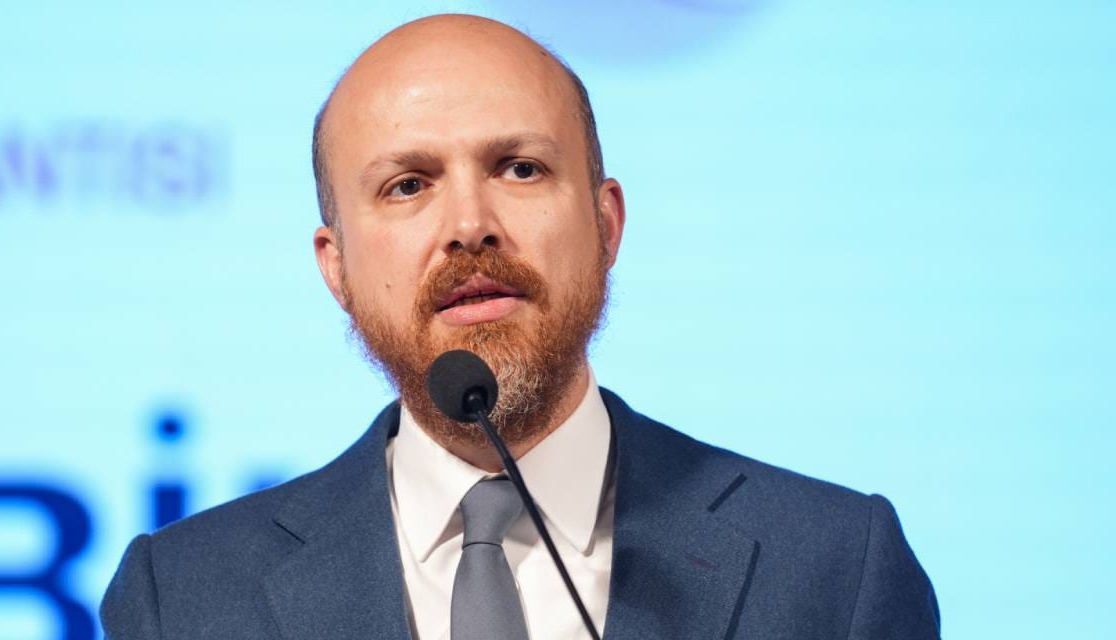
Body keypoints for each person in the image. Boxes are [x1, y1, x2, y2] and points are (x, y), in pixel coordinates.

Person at [101, 14, 940, 640]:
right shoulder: (184, 597)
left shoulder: (835, 568)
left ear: (606, 225)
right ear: (337, 268)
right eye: (407, 185)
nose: (470, 225)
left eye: (520, 168)